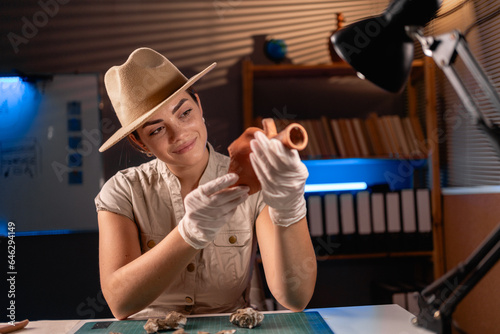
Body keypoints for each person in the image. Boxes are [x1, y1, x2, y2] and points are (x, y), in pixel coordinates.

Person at [95, 47, 317, 320]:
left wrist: (289, 209)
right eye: (157, 129)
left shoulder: (253, 181)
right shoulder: (122, 191)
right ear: (140, 142)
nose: (180, 134)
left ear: (199, 106)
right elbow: (119, 302)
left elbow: (295, 298)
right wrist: (189, 234)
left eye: (184, 112)